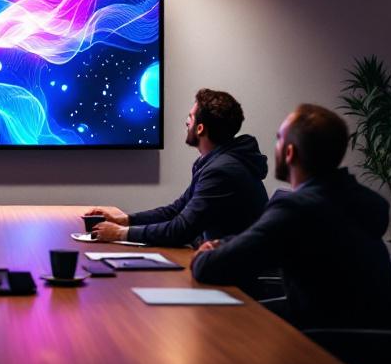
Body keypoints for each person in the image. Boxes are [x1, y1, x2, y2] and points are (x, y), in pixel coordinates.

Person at [191, 104, 391, 331]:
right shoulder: (352, 198)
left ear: (290, 153)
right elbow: (254, 239)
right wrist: (220, 244)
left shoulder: (299, 209)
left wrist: (205, 254)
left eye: (279, 139)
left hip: (333, 349)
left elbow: (213, 267)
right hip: (377, 343)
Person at [85, 89, 267, 246]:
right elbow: (176, 210)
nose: (187, 122)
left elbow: (181, 230)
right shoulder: (216, 163)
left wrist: (120, 233)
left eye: (190, 117)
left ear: (200, 128)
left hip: (232, 277)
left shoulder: (222, 171)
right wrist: (124, 220)